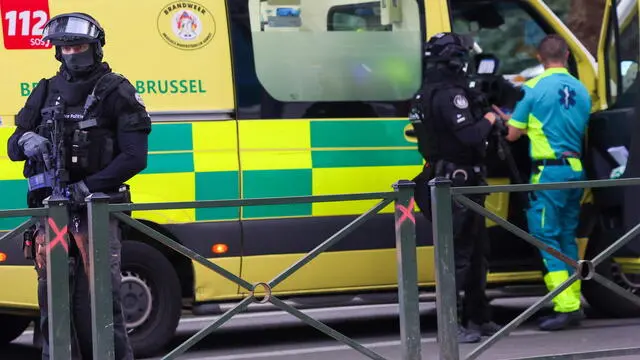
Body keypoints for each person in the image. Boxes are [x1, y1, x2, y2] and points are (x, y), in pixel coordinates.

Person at [6, 12, 151, 359]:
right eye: (65, 47)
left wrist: (85, 187)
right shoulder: (45, 90)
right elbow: (12, 147)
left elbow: (134, 156)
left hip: (96, 212)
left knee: (101, 302)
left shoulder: (117, 91)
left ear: (96, 47)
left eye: (79, 45)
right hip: (50, 215)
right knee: (53, 302)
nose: (72, 53)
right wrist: (26, 139)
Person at [494, 34, 591, 331]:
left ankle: (566, 306)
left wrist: (504, 118)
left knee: (545, 236)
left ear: (539, 58)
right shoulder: (582, 89)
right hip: (575, 171)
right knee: (565, 237)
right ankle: (573, 299)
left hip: (548, 173)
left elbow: (512, 134)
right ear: (566, 56)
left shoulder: (533, 88)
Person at [410, 32, 502, 343]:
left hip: (453, 179)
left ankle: (478, 317)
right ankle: (450, 325)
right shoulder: (451, 95)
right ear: (453, 61)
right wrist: (490, 117)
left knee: (477, 253)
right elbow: (471, 137)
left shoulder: (424, 93)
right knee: (459, 257)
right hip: (457, 182)